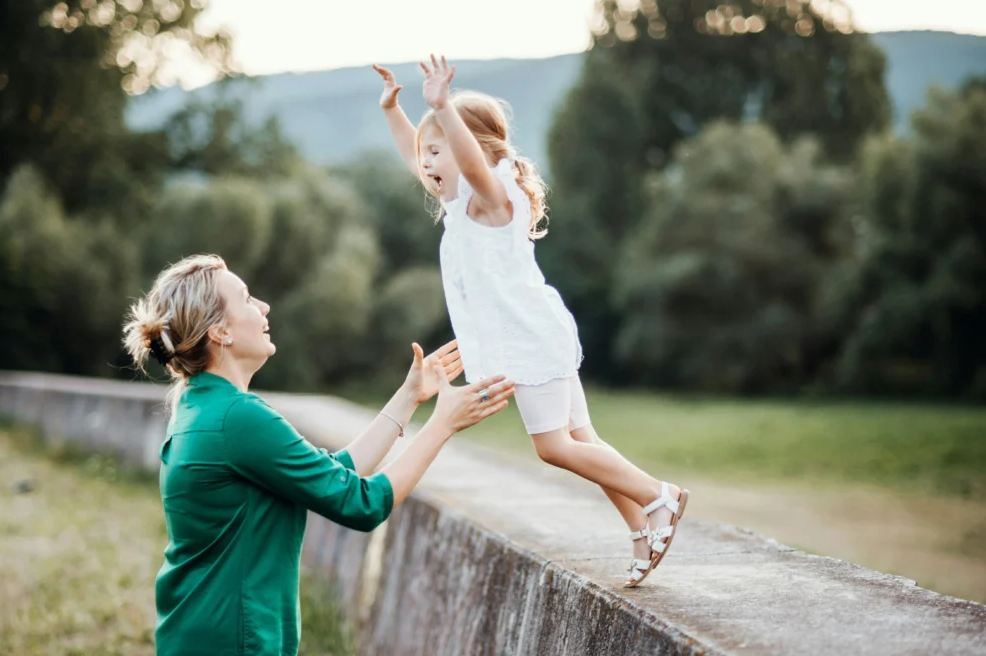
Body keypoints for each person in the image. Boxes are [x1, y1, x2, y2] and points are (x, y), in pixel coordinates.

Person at [371, 56, 689, 588]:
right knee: (581, 436)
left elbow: (469, 163)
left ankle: (661, 496)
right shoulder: (458, 203)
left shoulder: (493, 197)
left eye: (437, 149)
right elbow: (416, 155)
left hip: (531, 339)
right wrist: (394, 111)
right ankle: (639, 525)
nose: (425, 162)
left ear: (474, 148)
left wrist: (443, 106)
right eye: (426, 152)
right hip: (536, 331)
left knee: (553, 446)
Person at [122, 254, 515, 655]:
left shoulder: (202, 405)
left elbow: (331, 475)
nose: (263, 307)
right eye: (246, 299)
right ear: (220, 331)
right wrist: (442, 425)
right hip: (231, 642)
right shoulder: (237, 418)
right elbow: (361, 504)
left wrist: (410, 396)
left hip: (199, 635)